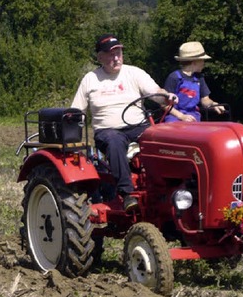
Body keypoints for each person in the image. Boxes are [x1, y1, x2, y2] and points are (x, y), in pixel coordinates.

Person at [71, 34, 177, 211]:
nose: (116, 58)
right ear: (100, 57)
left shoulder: (134, 73)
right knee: (114, 141)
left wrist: (167, 96)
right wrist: (70, 126)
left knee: (162, 137)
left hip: (138, 126)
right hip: (108, 130)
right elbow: (77, 110)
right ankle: (127, 194)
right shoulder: (90, 79)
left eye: (118, 53)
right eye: (111, 54)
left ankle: (168, 189)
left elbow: (156, 92)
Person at [163, 41, 224, 122]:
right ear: (194, 62)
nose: (203, 63)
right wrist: (181, 116)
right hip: (174, 117)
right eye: (202, 60)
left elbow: (205, 100)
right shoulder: (174, 77)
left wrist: (213, 104)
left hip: (193, 116)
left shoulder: (199, 78)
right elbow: (164, 104)